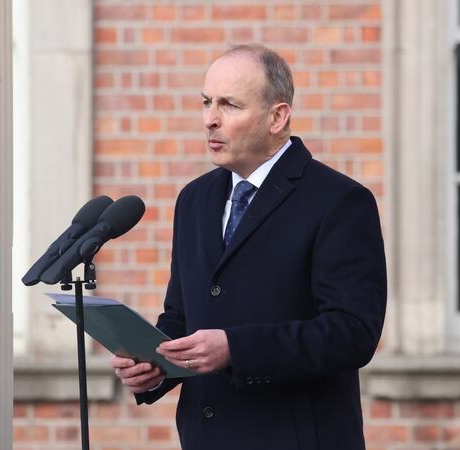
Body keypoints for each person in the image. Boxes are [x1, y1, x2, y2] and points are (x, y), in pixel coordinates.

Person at [111, 43, 386, 450]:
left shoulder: (339, 201)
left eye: (229, 105)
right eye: (206, 102)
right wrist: (154, 366)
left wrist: (236, 349)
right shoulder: (195, 200)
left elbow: (352, 333)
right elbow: (183, 315)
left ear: (278, 117)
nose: (209, 120)